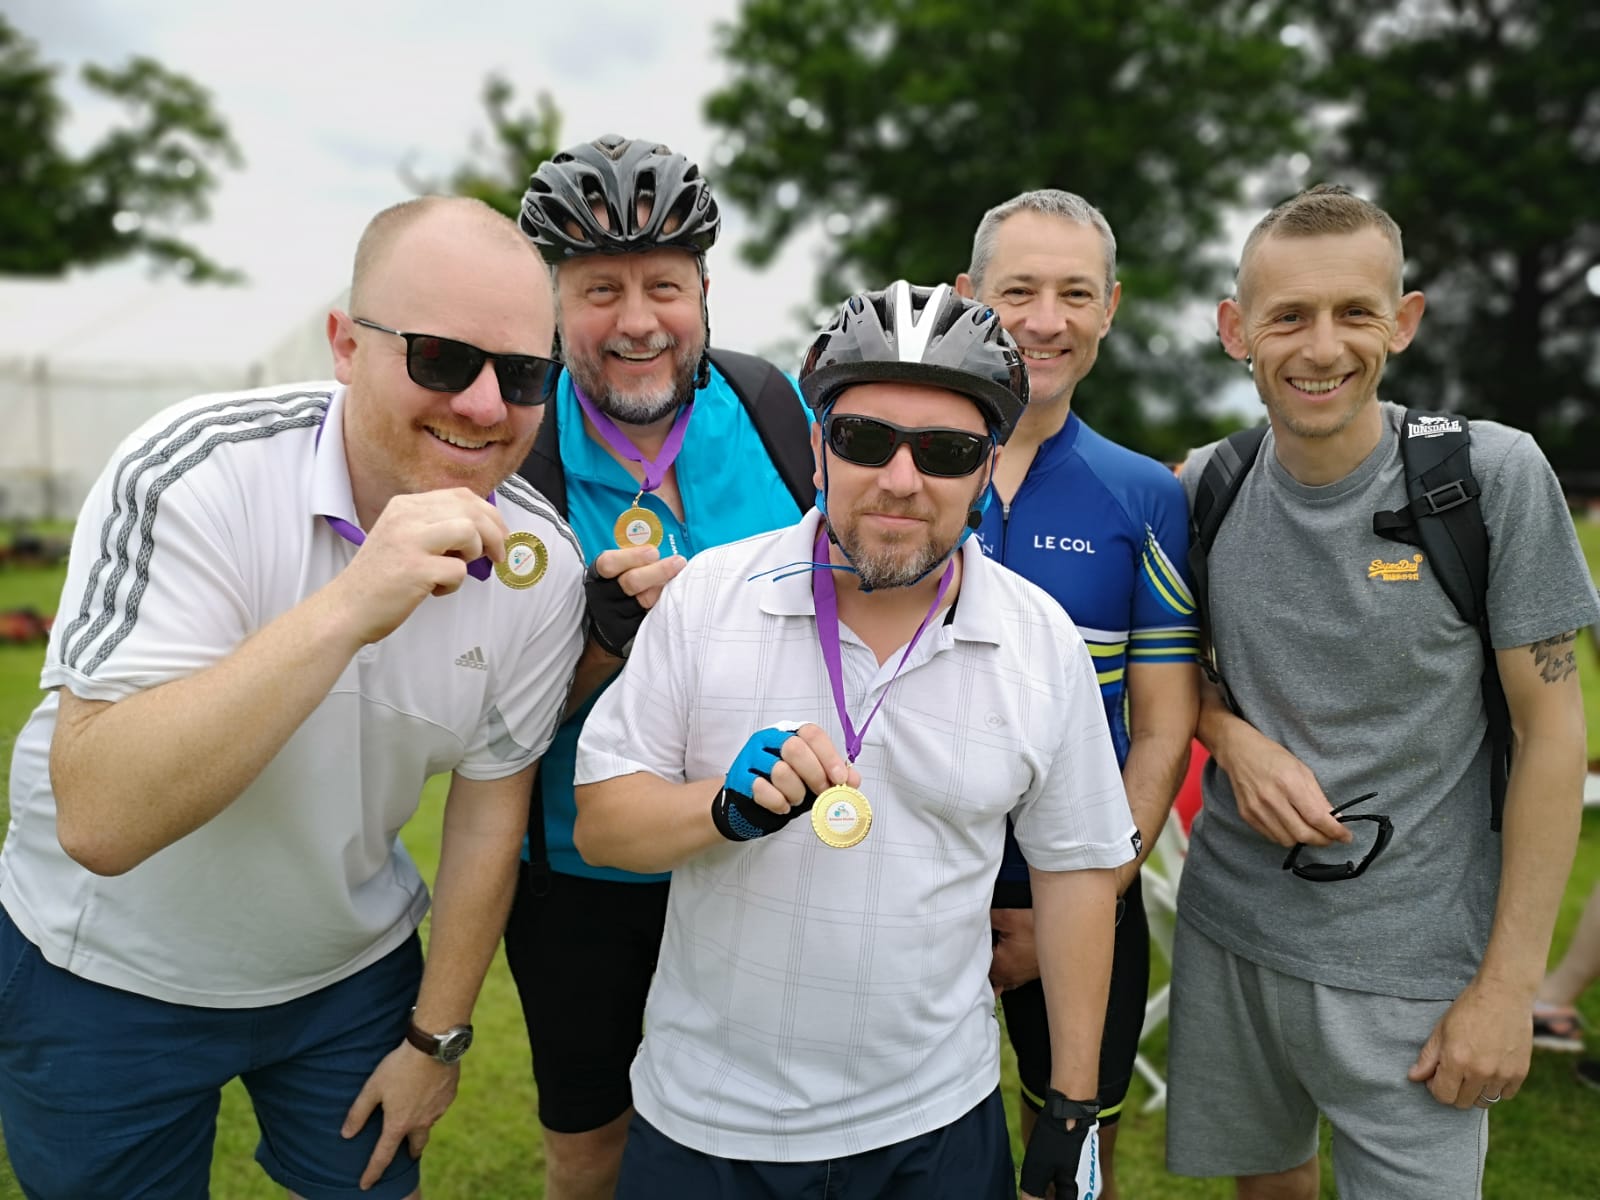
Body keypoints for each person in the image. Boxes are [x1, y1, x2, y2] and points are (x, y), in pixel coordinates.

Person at [0, 196, 586, 1200]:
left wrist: (437, 1040)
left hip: (346, 979)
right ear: (344, 345)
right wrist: (353, 601)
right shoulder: (195, 469)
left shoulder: (542, 565)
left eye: (524, 374)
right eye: (443, 359)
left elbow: (492, 803)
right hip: (101, 974)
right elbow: (100, 816)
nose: (487, 407)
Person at [572, 281, 1138, 1200]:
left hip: (935, 1123)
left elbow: (1077, 878)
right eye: (865, 440)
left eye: (947, 451)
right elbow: (601, 822)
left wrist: (1072, 1106)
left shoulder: (1041, 640)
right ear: (817, 448)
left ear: (987, 467)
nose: (902, 481)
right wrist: (718, 808)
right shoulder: (711, 596)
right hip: (707, 1121)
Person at [1166, 183, 1600, 1199]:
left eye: (1354, 312)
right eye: (1288, 316)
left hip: (1418, 967)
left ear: (1401, 322)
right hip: (1231, 930)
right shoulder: (1205, 489)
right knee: (1267, 1183)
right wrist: (1230, 739)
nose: (1322, 347)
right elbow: (1171, 674)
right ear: (1236, 331)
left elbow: (1551, 734)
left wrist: (1508, 990)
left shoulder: (1487, 478)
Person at [502, 133, 812, 1200]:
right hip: (579, 876)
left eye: (662, 286)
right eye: (599, 290)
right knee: (591, 1150)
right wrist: (596, 648)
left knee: (768, 1136)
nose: (636, 321)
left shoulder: (775, 409)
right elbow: (468, 726)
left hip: (760, 856)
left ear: (704, 290)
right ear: (553, 298)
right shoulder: (512, 444)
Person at [953, 189, 1200, 1197]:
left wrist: (1083, 894)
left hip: (1085, 888)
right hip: (916, 888)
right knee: (914, 1144)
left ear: (1110, 307)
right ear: (969, 297)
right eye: (1018, 291)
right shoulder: (892, 465)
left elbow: (1163, 723)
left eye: (1073, 294)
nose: (1045, 320)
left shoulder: (1145, 495)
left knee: (1068, 1160)